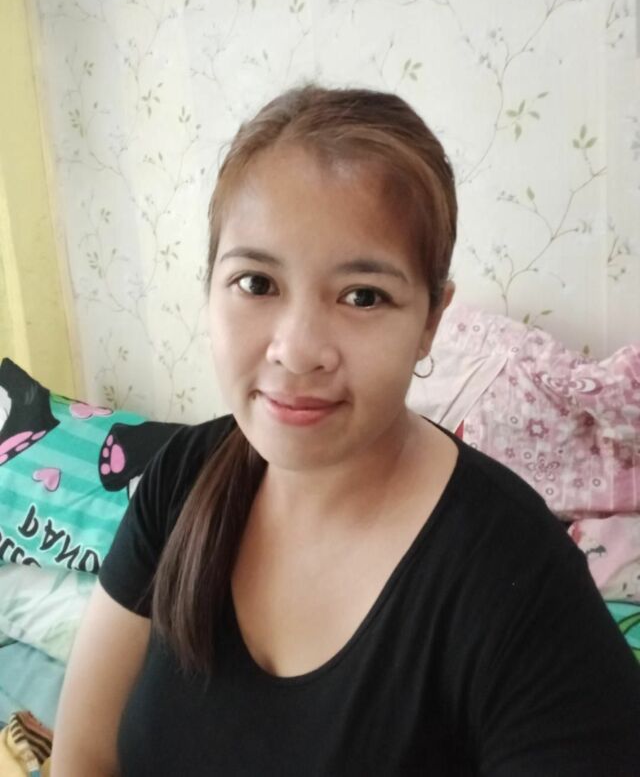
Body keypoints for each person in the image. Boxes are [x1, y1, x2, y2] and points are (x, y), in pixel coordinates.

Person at [51, 85, 640, 776]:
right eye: (257, 283)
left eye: (363, 296)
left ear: (430, 321)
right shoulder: (181, 477)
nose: (298, 351)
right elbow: (83, 756)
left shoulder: (516, 580)